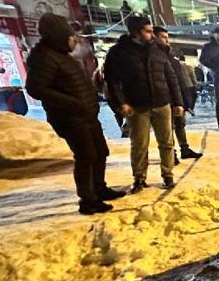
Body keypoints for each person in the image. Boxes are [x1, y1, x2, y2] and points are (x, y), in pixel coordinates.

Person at [25, 13, 125, 215]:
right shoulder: (44, 57)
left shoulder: (62, 56)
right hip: (69, 117)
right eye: (72, 37)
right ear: (60, 36)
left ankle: (99, 188)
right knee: (86, 156)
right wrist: (73, 103)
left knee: (100, 152)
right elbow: (36, 88)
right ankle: (87, 200)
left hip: (86, 114)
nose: (75, 41)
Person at [104, 16, 183, 193]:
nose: (151, 34)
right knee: (139, 144)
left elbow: (171, 77)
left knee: (167, 142)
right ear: (135, 33)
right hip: (137, 105)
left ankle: (168, 174)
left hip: (162, 102)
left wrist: (178, 102)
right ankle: (139, 178)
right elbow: (113, 81)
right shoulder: (119, 53)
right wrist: (122, 103)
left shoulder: (158, 50)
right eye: (147, 31)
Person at [153, 27, 203, 161]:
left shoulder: (170, 57)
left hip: (176, 97)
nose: (167, 40)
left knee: (180, 124)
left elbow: (178, 81)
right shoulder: (154, 56)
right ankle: (171, 154)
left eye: (167, 37)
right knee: (167, 128)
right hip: (163, 98)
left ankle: (184, 149)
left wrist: (182, 101)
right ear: (155, 37)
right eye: (163, 37)